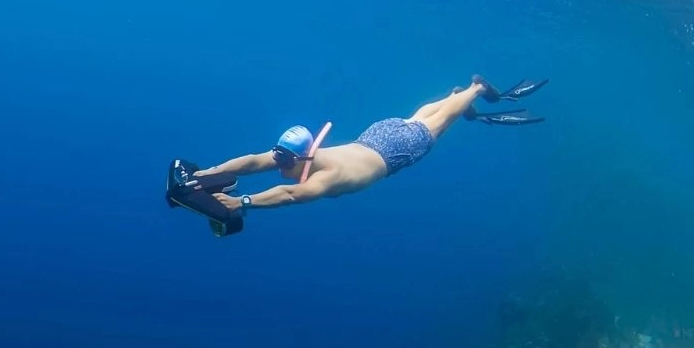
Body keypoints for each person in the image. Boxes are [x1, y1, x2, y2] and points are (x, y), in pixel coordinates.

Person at [195, 75, 547, 214]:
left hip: (394, 149)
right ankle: (455, 97)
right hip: (375, 136)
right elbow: (255, 161)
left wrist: (243, 201)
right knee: (416, 119)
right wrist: (212, 172)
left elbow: (290, 195)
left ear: (304, 155)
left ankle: (474, 90)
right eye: (280, 157)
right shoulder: (295, 156)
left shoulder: (326, 177)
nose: (279, 164)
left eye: (285, 160)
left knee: (434, 125)